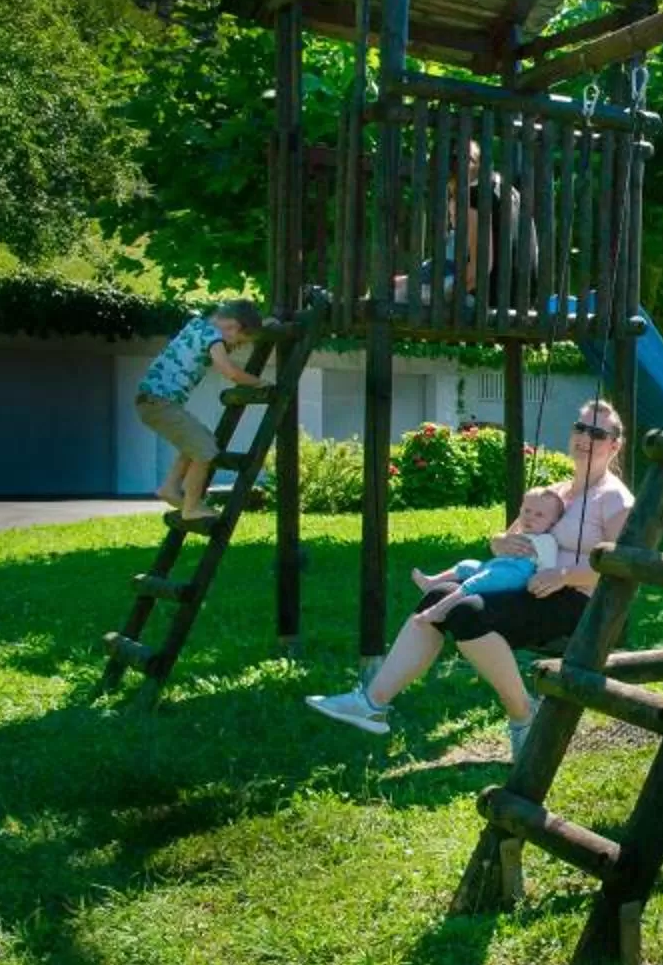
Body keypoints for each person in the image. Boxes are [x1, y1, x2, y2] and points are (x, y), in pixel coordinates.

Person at [304, 400, 633, 746]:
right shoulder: (559, 490)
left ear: (614, 444)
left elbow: (622, 568)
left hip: (576, 603)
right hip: (529, 586)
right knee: (437, 595)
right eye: (580, 428)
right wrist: (499, 543)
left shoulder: (614, 500)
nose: (584, 437)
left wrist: (564, 574)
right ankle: (371, 704)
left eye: (596, 432)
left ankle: (523, 715)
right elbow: (508, 537)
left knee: (466, 613)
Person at [135, 300, 267, 513]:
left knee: (200, 440)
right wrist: (259, 382)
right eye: (240, 342)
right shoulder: (214, 338)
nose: (236, 347)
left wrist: (262, 323)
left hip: (152, 401)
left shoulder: (197, 325)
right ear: (232, 326)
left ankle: (170, 487)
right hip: (159, 403)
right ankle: (191, 508)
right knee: (205, 450)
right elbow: (230, 371)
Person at [410, 485, 565, 619]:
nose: (530, 517)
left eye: (539, 515)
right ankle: (432, 582)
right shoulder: (519, 532)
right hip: (494, 566)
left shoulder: (546, 540)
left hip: (515, 574)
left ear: (553, 522)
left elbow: (547, 566)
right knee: (466, 565)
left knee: (476, 582)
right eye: (527, 511)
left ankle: (438, 610)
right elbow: (499, 546)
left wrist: (537, 582)